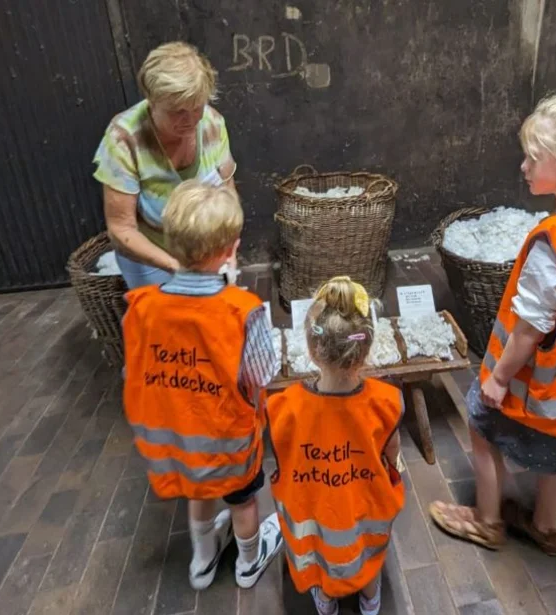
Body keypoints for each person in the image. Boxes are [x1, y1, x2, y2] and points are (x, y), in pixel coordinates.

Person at [429, 91, 556, 556]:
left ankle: (487, 520)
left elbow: (530, 326)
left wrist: (498, 377)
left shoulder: (552, 241)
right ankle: (544, 525)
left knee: (481, 427)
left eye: (534, 158)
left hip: (541, 379)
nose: (524, 165)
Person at [122, 182, 282, 590]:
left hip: (180, 443)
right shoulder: (242, 311)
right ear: (232, 248)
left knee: (199, 492)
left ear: (168, 243)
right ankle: (249, 563)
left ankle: (203, 561)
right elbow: (262, 374)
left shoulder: (141, 307)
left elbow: (136, 371)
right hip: (230, 442)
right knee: (243, 500)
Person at [266, 276, 405, 615]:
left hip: (312, 509)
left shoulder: (284, 406)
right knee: (370, 558)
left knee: (320, 560)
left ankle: (326, 602)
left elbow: (282, 455)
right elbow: (393, 452)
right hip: (366, 508)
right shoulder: (388, 402)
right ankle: (370, 601)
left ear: (313, 350)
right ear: (366, 348)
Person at [93, 41, 237, 289]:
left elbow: (228, 194)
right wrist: (179, 269)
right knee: (162, 317)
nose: (189, 120)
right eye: (176, 111)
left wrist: (228, 251)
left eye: (196, 108)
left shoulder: (212, 123)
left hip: (206, 250)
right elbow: (120, 228)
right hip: (151, 252)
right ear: (152, 101)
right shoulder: (124, 139)